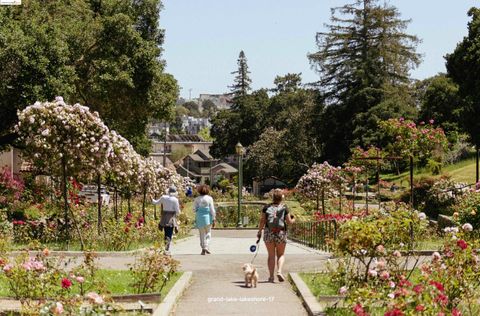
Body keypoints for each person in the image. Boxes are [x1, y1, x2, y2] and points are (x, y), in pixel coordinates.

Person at [257, 189, 295, 282]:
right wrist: (294, 219)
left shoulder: (266, 207)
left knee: (271, 255)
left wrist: (259, 231)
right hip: (281, 233)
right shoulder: (284, 208)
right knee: (281, 254)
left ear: (272, 198)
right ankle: (279, 271)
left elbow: (262, 220)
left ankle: (271, 276)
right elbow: (289, 222)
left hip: (269, 232)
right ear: (281, 198)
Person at [152, 185, 180, 254]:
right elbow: (177, 211)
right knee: (169, 233)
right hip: (171, 218)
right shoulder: (175, 200)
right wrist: (177, 217)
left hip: (164, 218)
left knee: (166, 233)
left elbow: (155, 202)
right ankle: (167, 249)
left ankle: (166, 247)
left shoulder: (163, 197)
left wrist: (151, 199)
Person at [194, 184, 216, 255]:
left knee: (201, 233)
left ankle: (203, 247)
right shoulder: (209, 198)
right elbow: (212, 209)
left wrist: (199, 209)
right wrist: (214, 218)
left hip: (199, 217)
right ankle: (206, 246)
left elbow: (194, 209)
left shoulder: (197, 199)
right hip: (207, 217)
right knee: (208, 233)